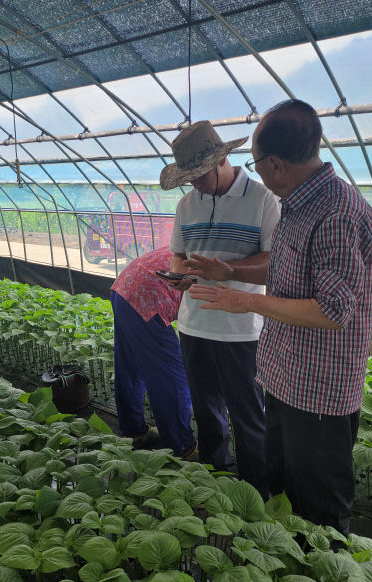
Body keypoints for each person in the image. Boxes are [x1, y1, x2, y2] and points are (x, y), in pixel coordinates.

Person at [188, 99, 372, 535]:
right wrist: (231, 272)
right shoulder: (300, 203)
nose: (256, 173)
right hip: (285, 377)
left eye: (255, 165)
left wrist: (249, 302)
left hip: (317, 393)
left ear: (275, 164)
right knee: (283, 494)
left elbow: (334, 311)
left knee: (319, 513)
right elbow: (291, 270)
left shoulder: (335, 212)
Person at [159, 120, 280, 495]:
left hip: (241, 330)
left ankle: (255, 490)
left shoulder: (263, 199)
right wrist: (178, 276)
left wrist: (229, 270)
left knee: (249, 415)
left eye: (198, 176)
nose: (194, 184)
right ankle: (214, 479)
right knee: (206, 411)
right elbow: (178, 254)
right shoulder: (186, 204)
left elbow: (274, 261)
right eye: (188, 177)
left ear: (223, 159)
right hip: (194, 326)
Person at [110, 247, 197, 459]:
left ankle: (133, 432)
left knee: (129, 365)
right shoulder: (214, 264)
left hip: (122, 290)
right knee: (171, 377)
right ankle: (181, 447)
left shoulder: (189, 244)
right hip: (147, 301)